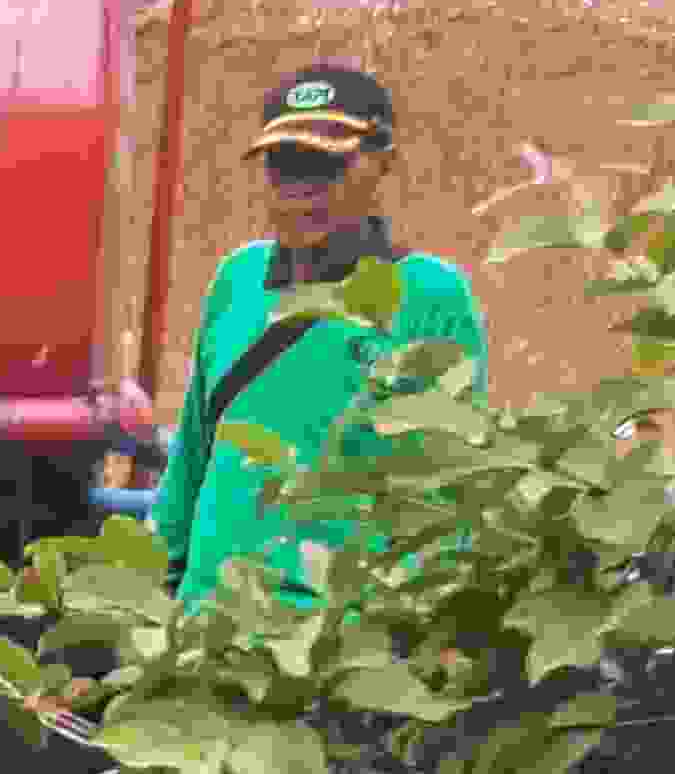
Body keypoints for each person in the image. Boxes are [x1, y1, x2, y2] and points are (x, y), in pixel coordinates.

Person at [147, 63, 490, 619]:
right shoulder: (239, 280)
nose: (302, 192)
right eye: (286, 167)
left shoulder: (430, 295)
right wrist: (144, 597)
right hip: (203, 634)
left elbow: (448, 488)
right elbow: (192, 454)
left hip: (332, 647)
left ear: (382, 163)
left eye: (328, 166)